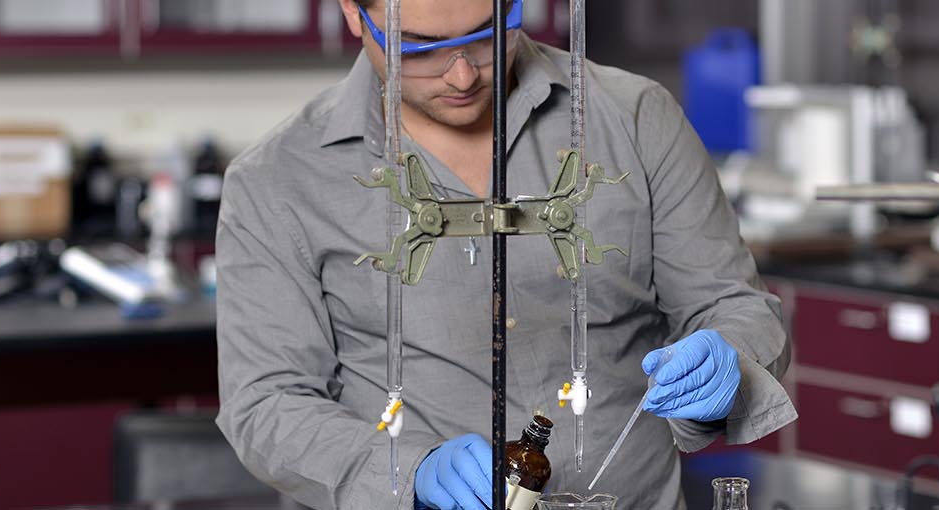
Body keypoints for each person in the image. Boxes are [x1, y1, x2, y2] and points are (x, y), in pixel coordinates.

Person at [214, 0, 796, 508]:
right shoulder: (277, 181)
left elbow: (733, 305)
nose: (463, 73)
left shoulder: (636, 119)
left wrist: (729, 359)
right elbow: (266, 404)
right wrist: (407, 474)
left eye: (487, 32)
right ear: (352, 13)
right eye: (419, 47)